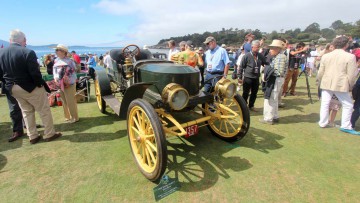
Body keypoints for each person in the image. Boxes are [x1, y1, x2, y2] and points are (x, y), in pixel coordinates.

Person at [0, 29, 61, 144]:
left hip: (12, 88)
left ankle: (32, 136)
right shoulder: (27, 52)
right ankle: (49, 133)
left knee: (26, 111)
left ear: (10, 40)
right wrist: (39, 85)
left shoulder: (1, 53)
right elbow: (35, 73)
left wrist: (8, 83)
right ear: (23, 40)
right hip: (29, 87)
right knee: (44, 110)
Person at [318, 36, 359, 135]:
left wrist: (320, 81)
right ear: (346, 45)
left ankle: (322, 122)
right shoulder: (350, 56)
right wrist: (351, 85)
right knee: (348, 104)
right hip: (341, 83)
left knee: (325, 103)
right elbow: (352, 74)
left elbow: (320, 72)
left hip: (326, 82)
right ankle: (345, 125)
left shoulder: (326, 56)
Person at [260, 40, 288, 124]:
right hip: (276, 79)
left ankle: (268, 118)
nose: (270, 50)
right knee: (274, 99)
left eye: (272, 48)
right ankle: (275, 116)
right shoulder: (278, 56)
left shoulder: (280, 57)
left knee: (271, 98)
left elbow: (279, 72)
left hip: (275, 79)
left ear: (277, 49)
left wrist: (267, 73)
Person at [238, 40, 268, 111]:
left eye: (258, 47)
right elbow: (241, 67)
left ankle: (251, 106)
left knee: (254, 93)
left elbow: (265, 63)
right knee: (245, 93)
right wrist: (239, 77)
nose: (258, 48)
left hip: (256, 77)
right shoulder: (247, 56)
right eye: (256, 47)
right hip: (248, 77)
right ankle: (244, 107)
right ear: (252, 47)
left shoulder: (260, 56)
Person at [53, 44, 79, 124]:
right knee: (64, 101)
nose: (56, 51)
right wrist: (56, 78)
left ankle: (74, 117)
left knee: (70, 100)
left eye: (58, 50)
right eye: (56, 50)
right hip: (60, 84)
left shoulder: (69, 61)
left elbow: (74, 70)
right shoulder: (56, 60)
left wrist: (66, 78)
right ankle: (67, 116)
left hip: (69, 83)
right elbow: (54, 71)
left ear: (63, 52)